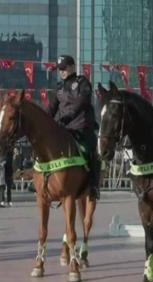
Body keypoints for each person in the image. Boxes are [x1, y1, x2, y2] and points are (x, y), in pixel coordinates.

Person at [49, 54, 100, 200]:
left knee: (93, 152)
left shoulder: (83, 83)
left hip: (81, 128)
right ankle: (42, 179)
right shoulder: (59, 88)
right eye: (60, 69)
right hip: (64, 130)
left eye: (64, 68)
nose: (62, 72)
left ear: (72, 67)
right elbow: (51, 109)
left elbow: (81, 102)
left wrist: (67, 117)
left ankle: (94, 186)